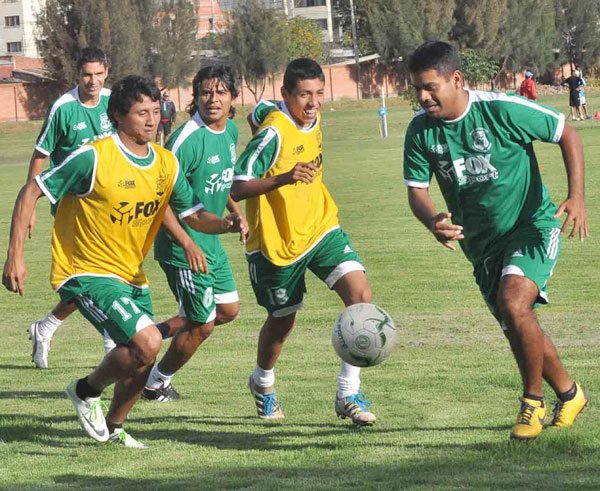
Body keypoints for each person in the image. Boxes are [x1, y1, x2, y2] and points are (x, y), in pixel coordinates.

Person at [2, 75, 246, 448]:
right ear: (118, 114)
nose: (151, 120)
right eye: (141, 113)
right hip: (85, 270)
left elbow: (194, 214)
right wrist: (15, 256)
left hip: (131, 273)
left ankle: (114, 427)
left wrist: (225, 224)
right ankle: (85, 390)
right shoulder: (95, 157)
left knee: (142, 357)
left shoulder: (164, 163)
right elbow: (32, 189)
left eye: (155, 112)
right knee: (147, 341)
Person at [403, 41, 589, 441]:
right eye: (417, 88)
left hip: (531, 224)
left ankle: (532, 404)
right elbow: (417, 190)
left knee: (514, 302)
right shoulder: (420, 130)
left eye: (430, 87)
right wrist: (432, 219)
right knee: (517, 322)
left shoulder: (501, 109)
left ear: (456, 79)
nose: (423, 96)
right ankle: (570, 394)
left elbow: (567, 133)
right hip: (481, 245)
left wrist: (576, 196)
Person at [231, 58, 377, 426]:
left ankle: (348, 393)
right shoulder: (273, 134)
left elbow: (258, 110)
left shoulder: (307, 115)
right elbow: (237, 186)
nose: (313, 103)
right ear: (286, 95)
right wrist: (284, 177)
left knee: (360, 296)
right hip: (277, 244)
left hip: (321, 227)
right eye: (304, 95)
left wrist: (258, 115)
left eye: (319, 93)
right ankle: (262, 383)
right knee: (282, 322)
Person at [142, 64, 247, 402]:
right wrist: (186, 242)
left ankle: (149, 334)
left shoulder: (230, 131)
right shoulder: (184, 141)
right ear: (196, 97)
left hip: (210, 240)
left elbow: (222, 179)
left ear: (233, 97)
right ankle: (154, 384)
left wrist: (235, 212)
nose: (212, 99)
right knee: (202, 323)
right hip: (182, 246)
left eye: (220, 92)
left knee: (227, 310)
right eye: (205, 92)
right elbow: (160, 199)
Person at [26, 47, 116, 369]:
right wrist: (30, 207)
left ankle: (45, 327)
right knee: (97, 276)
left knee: (102, 275)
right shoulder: (63, 108)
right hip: (72, 209)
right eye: (86, 75)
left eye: (98, 74)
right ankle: (112, 343)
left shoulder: (113, 102)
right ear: (77, 75)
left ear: (107, 72)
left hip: (108, 206)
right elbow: (40, 155)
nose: (93, 81)